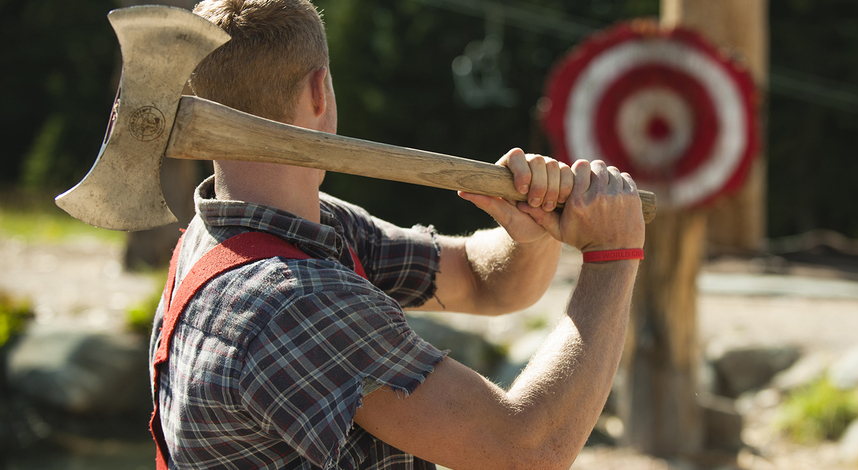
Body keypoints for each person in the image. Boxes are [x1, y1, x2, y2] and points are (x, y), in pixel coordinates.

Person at [149, 0, 646, 469]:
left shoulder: (252, 232)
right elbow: (527, 449)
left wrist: (534, 231)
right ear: (320, 91)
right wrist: (613, 255)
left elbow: (482, 281)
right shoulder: (296, 300)